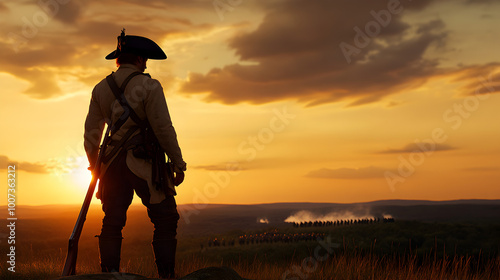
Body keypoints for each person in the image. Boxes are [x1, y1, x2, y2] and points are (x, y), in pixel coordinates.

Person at [84, 30, 186, 279]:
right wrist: (178, 162)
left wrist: (95, 165)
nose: (146, 64)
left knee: (112, 221)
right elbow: (163, 128)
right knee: (165, 217)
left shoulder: (100, 89)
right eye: (145, 60)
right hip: (143, 163)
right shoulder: (150, 85)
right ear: (140, 60)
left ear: (119, 59)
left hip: (110, 165)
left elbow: (90, 136)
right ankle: (166, 277)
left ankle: (108, 274)